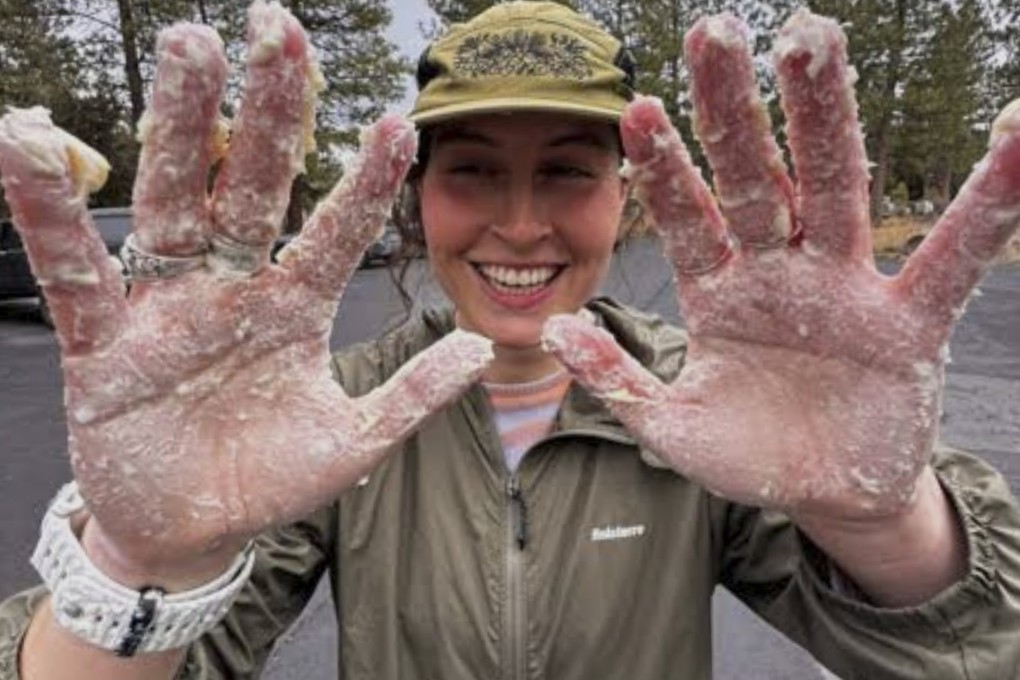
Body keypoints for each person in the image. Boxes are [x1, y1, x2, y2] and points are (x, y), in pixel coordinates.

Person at [1, 1, 1019, 678]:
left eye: (570, 170)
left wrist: (883, 521)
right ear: (416, 195)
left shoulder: (705, 406)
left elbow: (977, 649)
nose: (522, 224)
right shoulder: (321, 415)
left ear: (628, 197)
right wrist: (141, 559)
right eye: (474, 170)